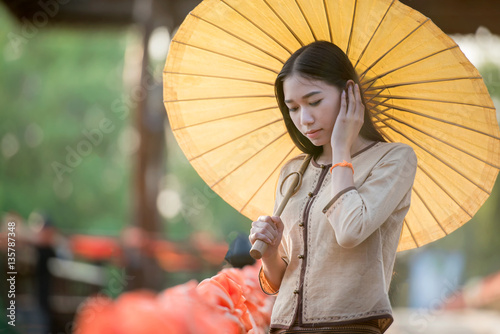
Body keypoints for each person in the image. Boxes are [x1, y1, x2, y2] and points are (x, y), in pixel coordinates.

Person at [249, 41, 417, 333]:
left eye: (314, 102)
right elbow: (280, 281)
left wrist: (341, 148)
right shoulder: (292, 172)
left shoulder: (394, 159)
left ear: (349, 93)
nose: (305, 119)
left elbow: (350, 231)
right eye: (293, 108)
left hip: (349, 327)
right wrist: (270, 253)